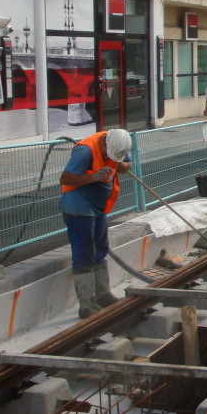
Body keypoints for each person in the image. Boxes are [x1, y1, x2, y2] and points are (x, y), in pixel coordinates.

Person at [59, 129, 132, 318]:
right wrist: (94, 176)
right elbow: (65, 178)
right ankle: (86, 306)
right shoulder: (84, 151)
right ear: (104, 144)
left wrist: (120, 164)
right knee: (84, 253)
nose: (112, 158)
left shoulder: (120, 143)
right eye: (111, 155)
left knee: (101, 248)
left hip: (98, 206)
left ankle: (103, 295)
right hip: (79, 206)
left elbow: (125, 167)